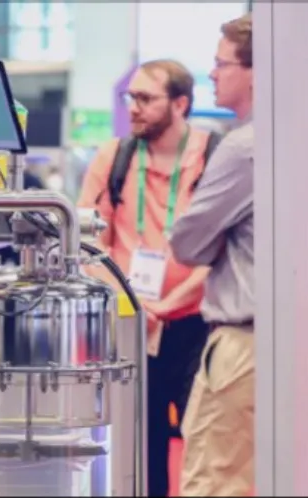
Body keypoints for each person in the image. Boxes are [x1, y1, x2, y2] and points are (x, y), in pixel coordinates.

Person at [77, 59, 218, 498]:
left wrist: (169, 302)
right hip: (131, 326)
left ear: (180, 104)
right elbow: (88, 243)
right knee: (140, 447)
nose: (133, 107)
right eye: (130, 97)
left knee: (205, 446)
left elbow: (224, 248)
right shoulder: (114, 158)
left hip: (197, 324)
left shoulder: (213, 157)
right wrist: (133, 303)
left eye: (145, 98)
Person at [169, 14, 254, 497]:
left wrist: (218, 238)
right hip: (282, 342)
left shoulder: (243, 147)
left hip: (242, 348)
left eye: (222, 64)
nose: (213, 73)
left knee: (215, 484)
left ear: (256, 73)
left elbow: (187, 243)